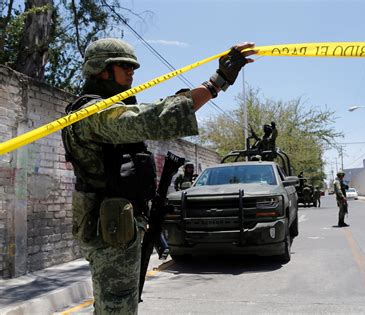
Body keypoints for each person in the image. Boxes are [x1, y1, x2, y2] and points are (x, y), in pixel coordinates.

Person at [61, 38, 256, 314]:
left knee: (118, 301)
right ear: (102, 70)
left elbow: (151, 113)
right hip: (110, 228)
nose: (132, 72)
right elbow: (154, 118)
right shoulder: (91, 114)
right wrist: (216, 83)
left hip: (117, 223)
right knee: (117, 305)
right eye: (124, 66)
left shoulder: (105, 108)